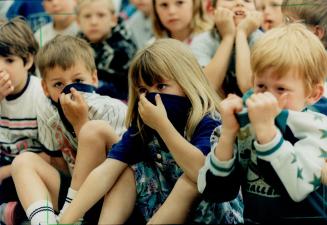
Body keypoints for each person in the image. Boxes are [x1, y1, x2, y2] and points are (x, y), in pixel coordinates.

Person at [59, 38, 244, 224]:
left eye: (161, 86)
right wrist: (66, 219)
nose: (151, 96)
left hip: (214, 213)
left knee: (189, 182)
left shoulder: (209, 119)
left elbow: (201, 172)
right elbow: (106, 171)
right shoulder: (144, 122)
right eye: (143, 89)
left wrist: (162, 125)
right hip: (166, 212)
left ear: (187, 81)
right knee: (128, 169)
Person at [198, 23, 327, 224]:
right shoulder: (245, 122)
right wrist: (228, 134)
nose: (268, 96)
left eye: (281, 89)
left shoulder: (317, 129)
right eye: (261, 86)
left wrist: (267, 132)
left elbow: (297, 188)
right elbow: (214, 191)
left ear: (313, 94)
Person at [11, 35, 128, 225]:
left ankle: (69, 218)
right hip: (73, 191)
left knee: (93, 130)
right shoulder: (49, 114)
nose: (70, 90)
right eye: (58, 84)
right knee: (23, 161)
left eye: (78, 80)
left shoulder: (111, 109)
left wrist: (80, 122)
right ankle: (45, 222)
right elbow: (58, 162)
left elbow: (122, 169)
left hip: (110, 193)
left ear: (94, 78)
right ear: (45, 88)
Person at [0, 17, 51, 225]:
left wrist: (4, 172)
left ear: (28, 61)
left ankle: (19, 212)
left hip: (35, 172)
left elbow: (54, 158)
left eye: (9, 60)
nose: (0, 68)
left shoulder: (41, 95)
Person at [190, 0, 263, 98]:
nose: (239, 3)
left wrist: (242, 33)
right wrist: (228, 36)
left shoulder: (263, 41)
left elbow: (250, 89)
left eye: (247, 0)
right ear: (213, 12)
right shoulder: (201, 42)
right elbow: (206, 88)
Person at [76, 0, 137, 101]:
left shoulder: (124, 48)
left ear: (113, 20)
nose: (93, 22)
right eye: (87, 16)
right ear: (78, 22)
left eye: (101, 15)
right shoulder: (75, 45)